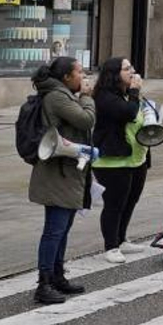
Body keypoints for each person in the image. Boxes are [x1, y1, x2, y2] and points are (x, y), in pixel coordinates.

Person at [28, 57, 94, 305]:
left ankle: (57, 276)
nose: (84, 75)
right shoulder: (57, 97)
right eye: (79, 72)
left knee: (63, 228)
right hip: (56, 173)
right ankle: (43, 284)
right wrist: (87, 97)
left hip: (66, 171)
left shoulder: (62, 94)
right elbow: (86, 120)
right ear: (66, 77)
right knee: (54, 230)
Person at [89, 57, 152, 264]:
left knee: (130, 200)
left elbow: (140, 114)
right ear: (114, 74)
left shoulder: (127, 95)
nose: (132, 72)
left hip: (137, 157)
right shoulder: (104, 97)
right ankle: (111, 246)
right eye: (127, 69)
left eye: (132, 67)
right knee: (114, 204)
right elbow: (128, 113)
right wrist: (134, 92)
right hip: (113, 161)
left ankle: (122, 238)